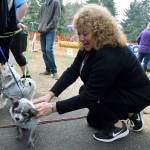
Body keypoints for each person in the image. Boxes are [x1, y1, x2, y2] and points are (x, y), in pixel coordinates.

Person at [33, 4, 150, 143]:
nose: (81, 38)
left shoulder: (110, 53)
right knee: (93, 121)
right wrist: (49, 95)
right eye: (79, 33)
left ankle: (119, 126)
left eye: (85, 33)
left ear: (99, 31)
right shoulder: (89, 46)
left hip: (136, 95)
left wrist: (53, 108)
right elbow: (73, 71)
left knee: (89, 95)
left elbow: (90, 96)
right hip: (118, 89)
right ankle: (131, 114)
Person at [38, 0, 61, 80]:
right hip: (42, 30)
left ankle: (54, 71)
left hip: (50, 30)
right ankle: (48, 70)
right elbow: (40, 17)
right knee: (44, 50)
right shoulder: (43, 5)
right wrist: (40, 27)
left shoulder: (56, 2)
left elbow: (56, 17)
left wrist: (47, 27)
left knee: (48, 50)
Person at [0, 0, 26, 67]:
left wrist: (17, 23)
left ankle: (26, 75)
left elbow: (10, 15)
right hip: (4, 33)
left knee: (5, 57)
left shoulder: (12, 1)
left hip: (6, 34)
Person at [9, 0, 31, 78]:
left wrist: (15, 22)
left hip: (13, 30)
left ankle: (27, 75)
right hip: (5, 30)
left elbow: (24, 6)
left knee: (17, 54)